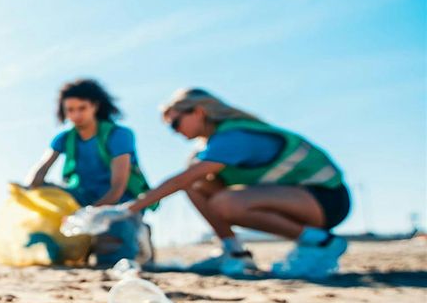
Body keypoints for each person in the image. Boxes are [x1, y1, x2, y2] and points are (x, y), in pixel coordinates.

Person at [125, 88, 350, 279]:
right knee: (196, 184)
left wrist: (129, 209)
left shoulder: (234, 136)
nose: (175, 131)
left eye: (175, 122)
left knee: (221, 200)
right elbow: (190, 180)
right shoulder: (210, 147)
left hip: (327, 199)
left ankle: (321, 243)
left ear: (198, 112)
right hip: (296, 198)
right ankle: (234, 252)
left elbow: (180, 179)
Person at [25, 79, 153, 264]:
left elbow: (117, 188)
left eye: (82, 108)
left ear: (95, 106)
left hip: (117, 203)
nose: (76, 115)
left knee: (112, 258)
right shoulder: (64, 138)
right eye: (70, 110)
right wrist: (35, 188)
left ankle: (139, 232)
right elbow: (39, 172)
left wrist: (87, 215)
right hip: (82, 197)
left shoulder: (119, 135)